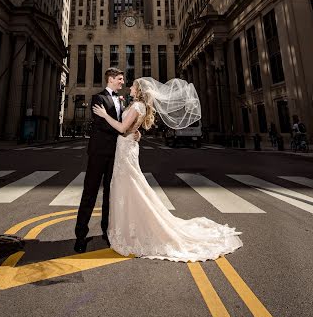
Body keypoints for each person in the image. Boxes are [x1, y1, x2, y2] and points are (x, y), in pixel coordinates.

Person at [92, 77, 242, 263]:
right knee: (129, 187)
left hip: (126, 149)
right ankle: (127, 227)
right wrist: (134, 131)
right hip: (127, 148)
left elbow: (122, 127)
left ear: (139, 90)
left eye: (133, 85)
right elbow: (130, 128)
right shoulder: (137, 106)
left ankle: (132, 230)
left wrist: (104, 115)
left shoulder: (138, 107)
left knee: (130, 186)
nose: (130, 86)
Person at [74, 68, 139, 253]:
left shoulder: (122, 99)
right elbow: (103, 124)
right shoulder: (98, 98)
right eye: (119, 79)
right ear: (110, 79)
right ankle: (80, 235)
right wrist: (123, 130)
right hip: (98, 153)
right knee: (90, 192)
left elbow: (125, 122)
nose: (122, 82)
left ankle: (107, 231)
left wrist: (132, 131)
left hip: (116, 154)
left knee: (110, 195)